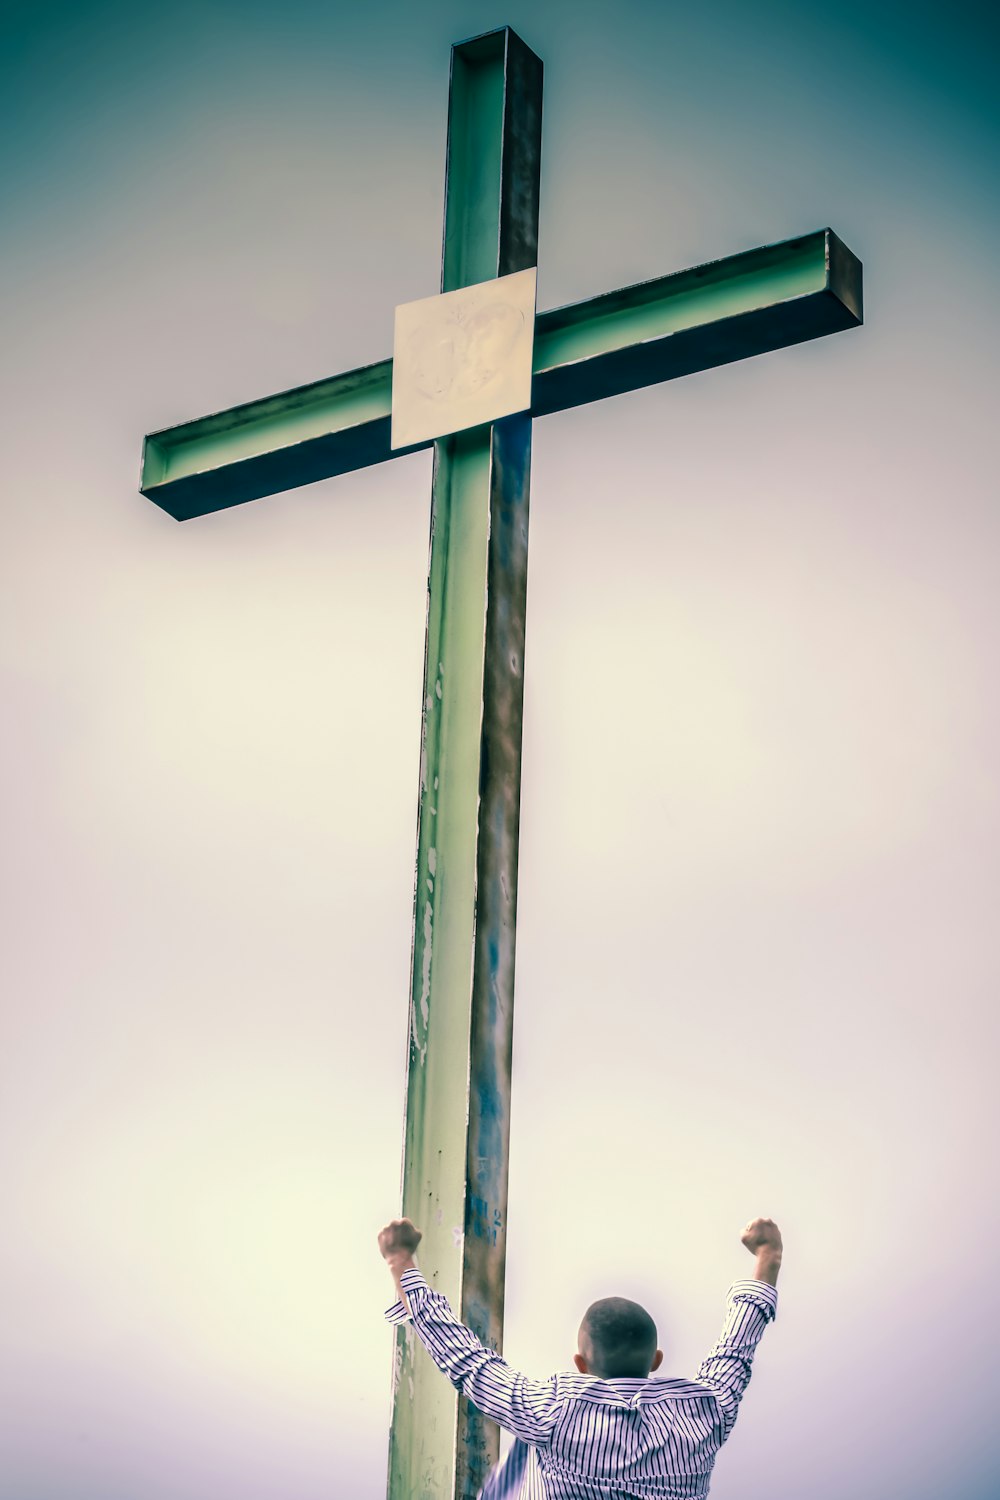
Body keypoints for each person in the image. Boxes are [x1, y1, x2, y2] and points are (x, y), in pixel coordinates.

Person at [379, 1214, 782, 1499]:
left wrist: (401, 1262)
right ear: (656, 1360)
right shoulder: (704, 1412)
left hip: (546, 1432)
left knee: (528, 1444)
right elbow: (736, 1349)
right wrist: (767, 1256)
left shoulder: (555, 1410)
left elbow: (467, 1362)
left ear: (581, 1364)